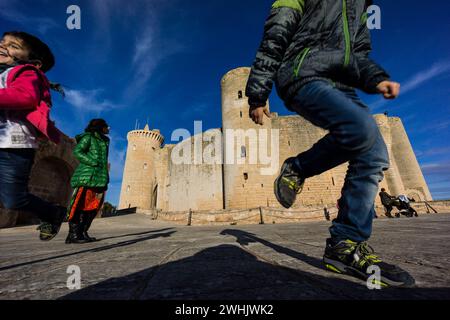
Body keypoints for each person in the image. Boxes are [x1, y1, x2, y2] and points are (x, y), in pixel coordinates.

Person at [246, 0, 414, 287]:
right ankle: (298, 167)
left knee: (375, 154)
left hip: (343, 89)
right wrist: (258, 93)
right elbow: (277, 31)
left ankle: (344, 246)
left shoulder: (361, 7)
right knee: (361, 129)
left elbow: (359, 55)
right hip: (303, 74)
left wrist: (377, 79)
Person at [0, 31, 65, 241]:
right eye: (3, 42)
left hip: (14, 143)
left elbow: (25, 97)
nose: (3, 46)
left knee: (14, 199)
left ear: (34, 62)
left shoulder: (28, 73)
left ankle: (52, 212)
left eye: (13, 46)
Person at [65, 119, 110, 244]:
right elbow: (77, 151)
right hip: (87, 176)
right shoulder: (88, 137)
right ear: (101, 127)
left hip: (99, 178)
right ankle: (73, 234)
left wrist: (105, 175)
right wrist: (93, 162)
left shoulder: (105, 141)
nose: (109, 129)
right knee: (78, 205)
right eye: (107, 126)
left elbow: (104, 160)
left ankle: (83, 232)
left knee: (93, 206)